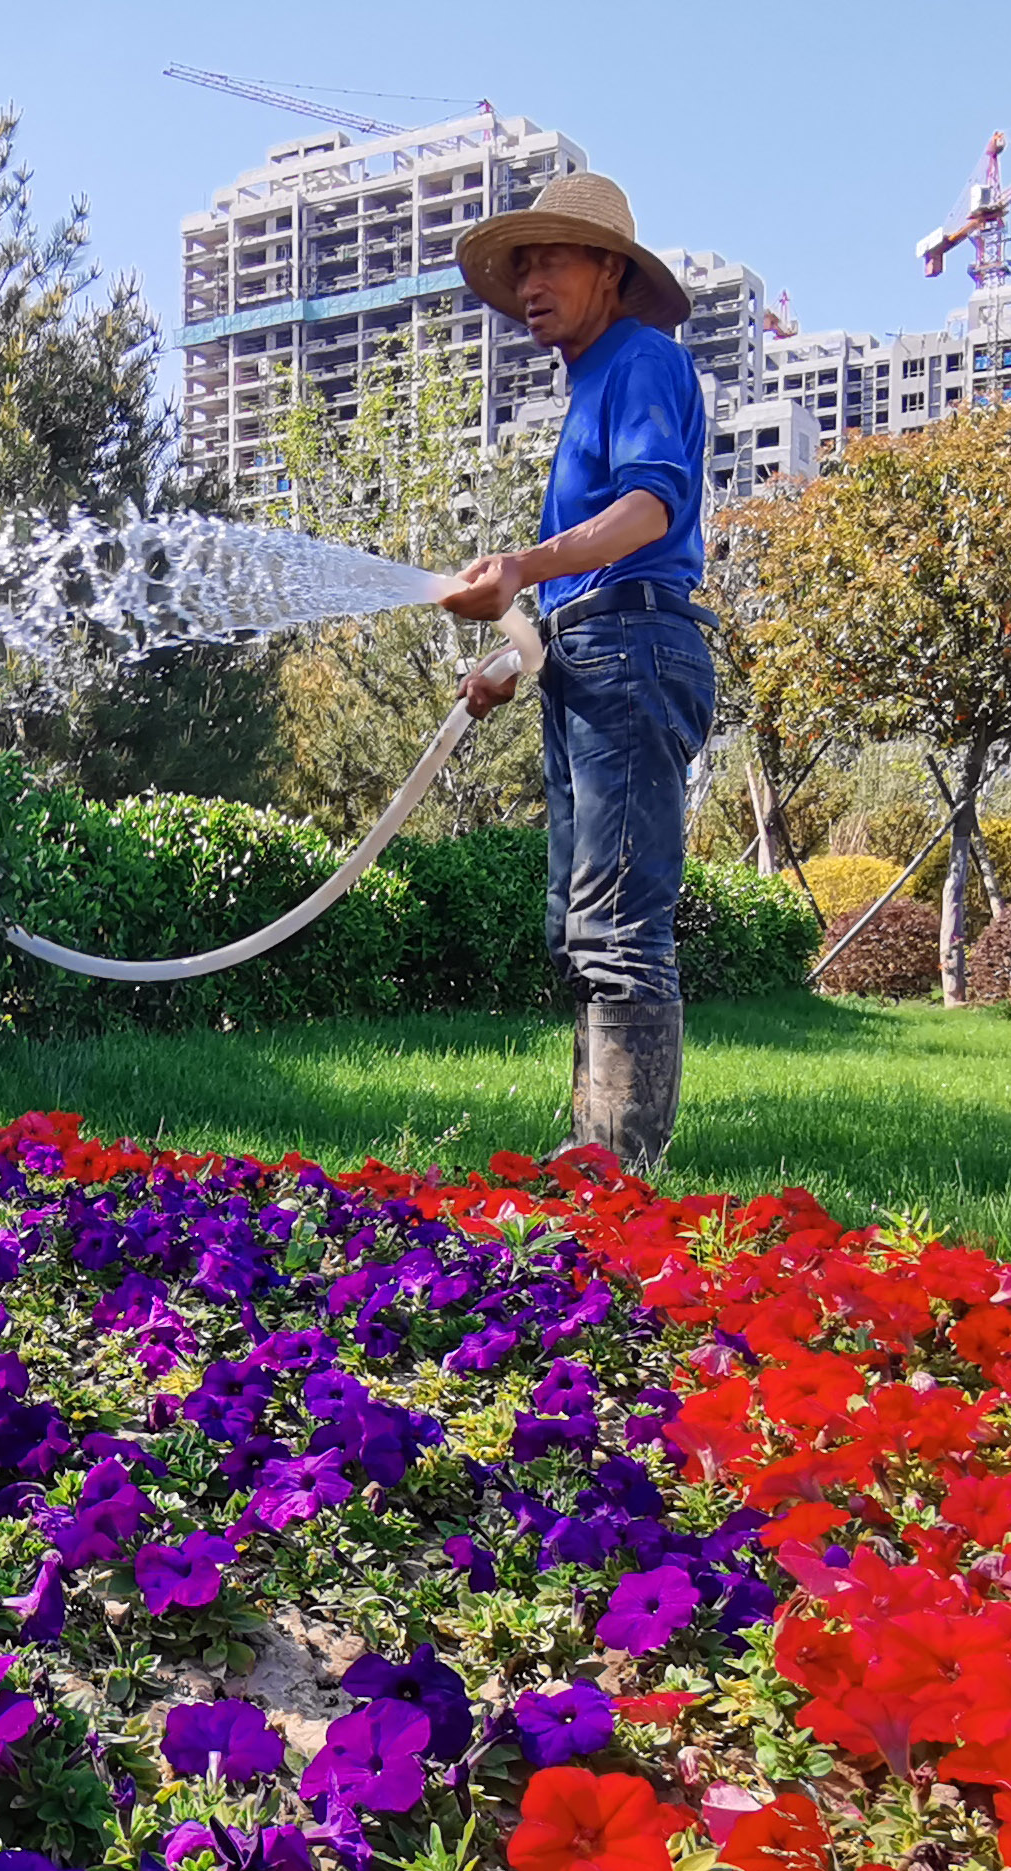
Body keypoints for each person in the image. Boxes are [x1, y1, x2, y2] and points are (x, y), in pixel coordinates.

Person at [438, 171, 715, 1174]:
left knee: (618, 920)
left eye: (551, 257)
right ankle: (595, 1153)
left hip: (633, 654)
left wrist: (520, 565)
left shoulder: (640, 361)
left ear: (609, 269)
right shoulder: (590, 382)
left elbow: (647, 517)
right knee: (580, 922)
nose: (527, 281)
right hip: (590, 653)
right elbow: (583, 576)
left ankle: (620, 1166)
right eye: (518, 265)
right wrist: (514, 658)